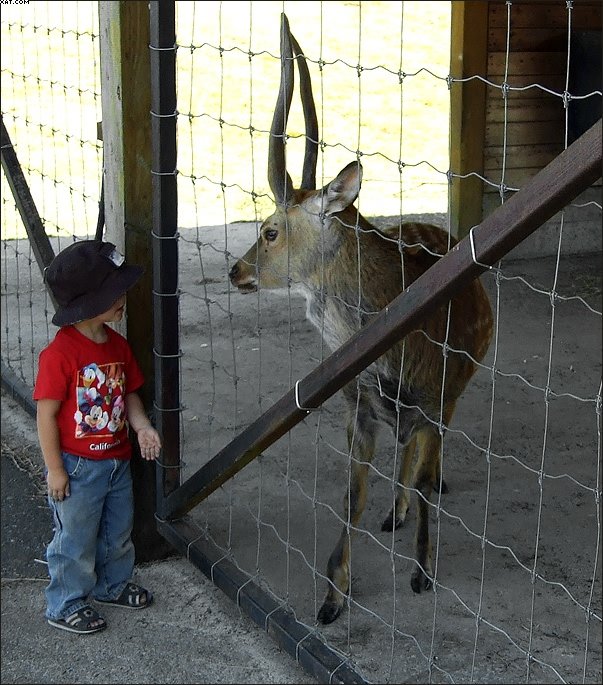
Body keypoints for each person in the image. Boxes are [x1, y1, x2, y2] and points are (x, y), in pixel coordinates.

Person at [33, 239, 162, 634]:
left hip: (117, 462)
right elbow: (46, 416)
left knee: (117, 531)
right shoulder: (60, 355)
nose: (122, 298)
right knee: (74, 539)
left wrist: (141, 426)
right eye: (114, 293)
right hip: (78, 467)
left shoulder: (118, 346)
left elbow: (129, 394)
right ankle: (65, 603)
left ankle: (112, 584)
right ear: (87, 304)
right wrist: (55, 470)